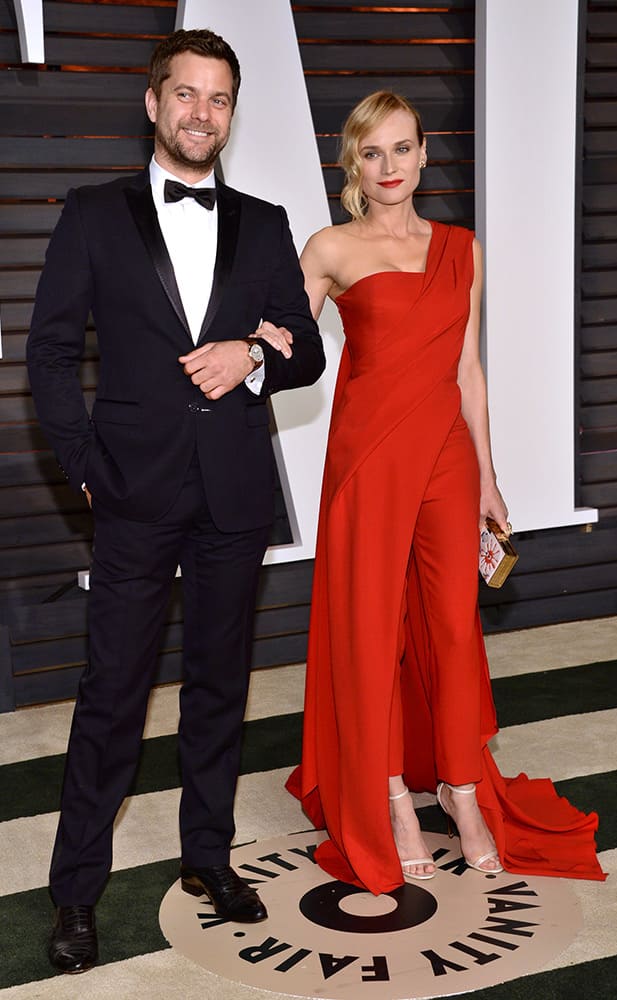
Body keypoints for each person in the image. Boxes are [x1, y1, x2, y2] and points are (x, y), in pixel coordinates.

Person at [27, 28, 325, 974]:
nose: (203, 112)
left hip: (234, 492)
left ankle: (208, 857)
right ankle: (76, 891)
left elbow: (309, 352)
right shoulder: (91, 213)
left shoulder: (267, 222)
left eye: (220, 98)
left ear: (233, 113)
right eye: (187, 94)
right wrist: (81, 461)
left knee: (219, 688)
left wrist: (254, 355)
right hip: (131, 494)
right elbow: (44, 353)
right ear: (154, 103)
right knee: (111, 696)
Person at [287, 91, 605, 894]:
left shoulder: (463, 248)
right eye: (372, 153)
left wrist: (490, 475)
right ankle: (392, 794)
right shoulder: (328, 247)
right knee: (372, 636)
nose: (389, 167)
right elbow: (285, 346)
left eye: (402, 149)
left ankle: (462, 792)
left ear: (426, 153)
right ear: (352, 163)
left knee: (456, 631)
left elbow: (466, 368)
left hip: (446, 462)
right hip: (367, 463)